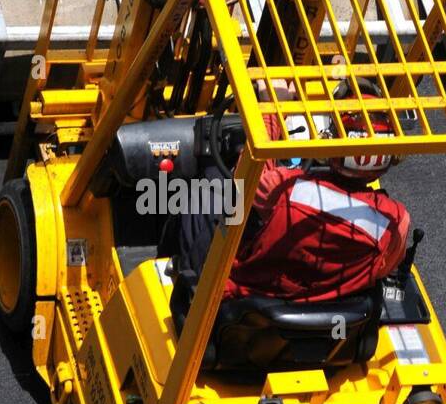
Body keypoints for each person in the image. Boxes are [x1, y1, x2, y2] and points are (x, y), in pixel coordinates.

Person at [174, 80, 410, 310]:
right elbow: (383, 268)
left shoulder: (286, 188)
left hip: (248, 303)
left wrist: (272, 109)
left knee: (206, 190)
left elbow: (247, 178)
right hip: (327, 320)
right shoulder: (395, 221)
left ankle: (185, 281)